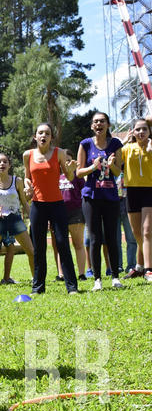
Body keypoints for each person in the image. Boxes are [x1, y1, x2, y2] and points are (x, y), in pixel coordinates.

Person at [23, 122, 78, 295]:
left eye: (47, 133)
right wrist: (27, 187)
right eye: (40, 133)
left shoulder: (59, 153)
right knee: (38, 247)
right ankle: (38, 288)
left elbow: (69, 177)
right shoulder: (28, 155)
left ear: (51, 137)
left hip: (57, 205)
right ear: (35, 136)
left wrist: (71, 170)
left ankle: (72, 287)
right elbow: (27, 177)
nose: (43, 136)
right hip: (38, 206)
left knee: (62, 244)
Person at [76, 112, 124, 292]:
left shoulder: (115, 144)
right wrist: (93, 166)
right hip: (91, 198)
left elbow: (118, 172)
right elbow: (79, 173)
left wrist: (111, 165)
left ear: (108, 125)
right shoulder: (85, 144)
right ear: (91, 126)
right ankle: (97, 279)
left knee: (112, 237)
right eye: (95, 122)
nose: (99, 124)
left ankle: (115, 277)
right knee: (95, 238)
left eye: (102, 121)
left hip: (110, 197)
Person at [0, 153, 34, 287]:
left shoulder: (18, 181)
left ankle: (36, 280)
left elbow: (24, 202)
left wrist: (33, 218)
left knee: (31, 251)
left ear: (9, 165)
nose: (2, 164)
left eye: (5, 162)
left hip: (15, 220)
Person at [119, 118, 152, 282]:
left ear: (149, 131)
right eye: (138, 129)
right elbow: (113, 156)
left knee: (146, 231)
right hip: (131, 191)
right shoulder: (127, 148)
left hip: (149, 191)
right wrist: (124, 140)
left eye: (144, 129)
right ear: (133, 132)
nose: (141, 132)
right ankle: (139, 267)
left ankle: (148, 270)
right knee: (137, 233)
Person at [51, 148, 87, 282]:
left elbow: (84, 192)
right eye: (63, 161)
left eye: (69, 160)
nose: (66, 163)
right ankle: (61, 274)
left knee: (78, 244)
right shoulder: (55, 176)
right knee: (61, 245)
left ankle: (82, 273)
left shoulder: (78, 176)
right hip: (58, 213)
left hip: (76, 213)